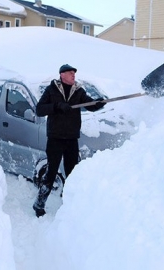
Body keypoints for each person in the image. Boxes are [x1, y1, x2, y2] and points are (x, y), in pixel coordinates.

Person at [32, 64, 107, 217]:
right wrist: (57, 106)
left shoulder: (78, 90)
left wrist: (98, 104)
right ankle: (39, 205)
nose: (74, 75)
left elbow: (90, 105)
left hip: (72, 138)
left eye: (74, 73)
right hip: (55, 138)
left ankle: (71, 206)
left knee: (73, 174)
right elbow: (39, 110)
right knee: (51, 172)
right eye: (71, 73)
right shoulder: (51, 90)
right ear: (62, 75)